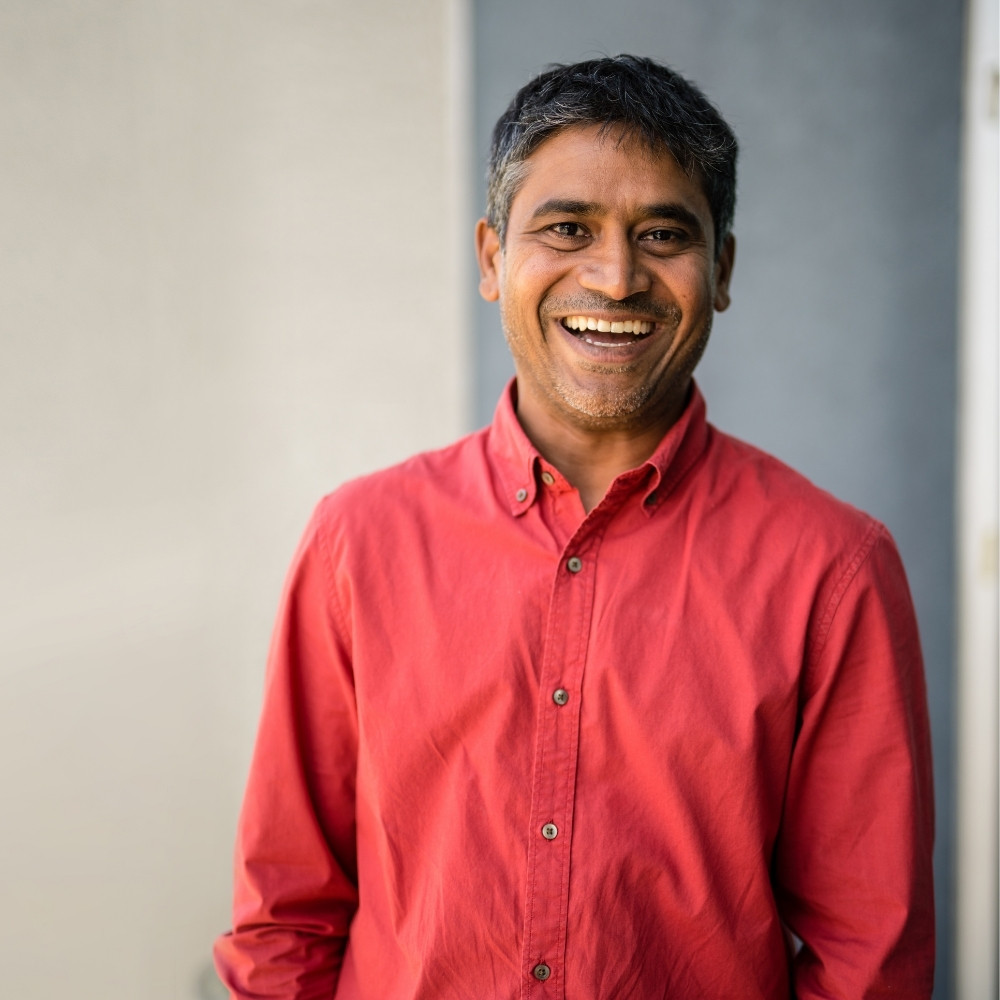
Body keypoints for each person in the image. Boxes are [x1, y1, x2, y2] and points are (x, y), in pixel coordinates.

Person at [214, 55, 934, 999]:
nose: (616, 276)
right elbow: (287, 918)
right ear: (490, 259)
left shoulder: (832, 568)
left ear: (720, 270)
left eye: (664, 234)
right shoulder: (359, 541)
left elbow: (867, 957)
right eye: (567, 229)